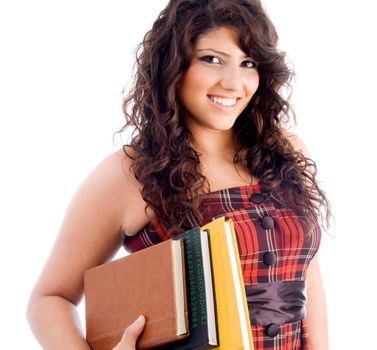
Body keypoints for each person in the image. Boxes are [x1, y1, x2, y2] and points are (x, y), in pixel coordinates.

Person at [26, 0, 331, 349]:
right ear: (172, 64)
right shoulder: (128, 173)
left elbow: (308, 274)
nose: (234, 83)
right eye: (212, 59)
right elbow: (49, 299)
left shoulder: (287, 151)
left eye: (248, 64)